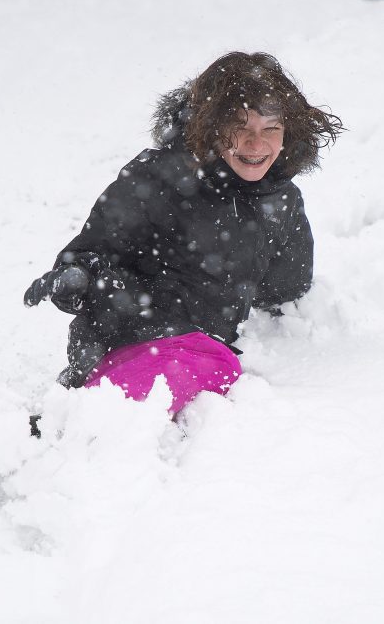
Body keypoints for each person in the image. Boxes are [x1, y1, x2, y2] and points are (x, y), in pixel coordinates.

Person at [24, 51, 343, 417]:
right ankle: (70, 427)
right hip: (127, 335)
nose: (256, 145)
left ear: (288, 134)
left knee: (210, 366)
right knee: (193, 369)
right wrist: (78, 278)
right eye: (241, 128)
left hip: (200, 353)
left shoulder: (281, 201)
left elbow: (286, 287)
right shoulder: (160, 179)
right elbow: (92, 253)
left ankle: (82, 424)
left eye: (270, 129)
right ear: (212, 127)